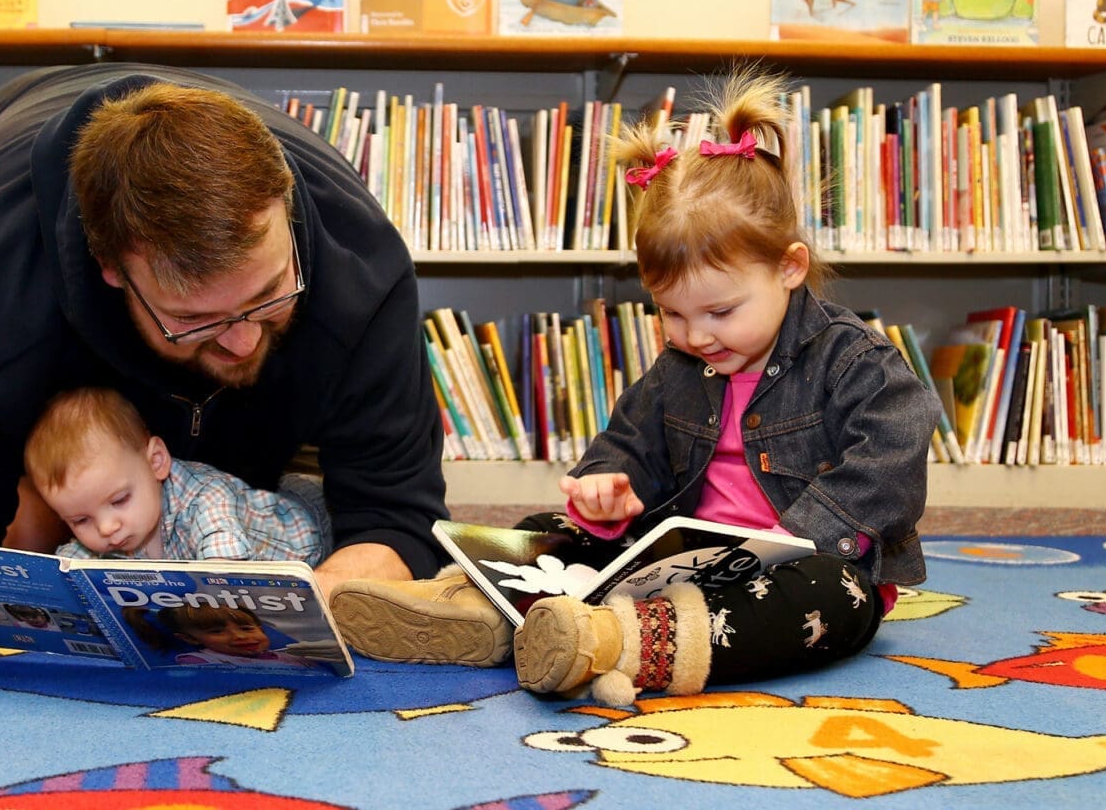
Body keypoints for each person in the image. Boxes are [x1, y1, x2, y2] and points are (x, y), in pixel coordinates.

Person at [331, 69, 941, 705]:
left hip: (801, 564)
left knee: (831, 602)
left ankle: (610, 640)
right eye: (672, 314)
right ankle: (475, 612)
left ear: (790, 268)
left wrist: (799, 538)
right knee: (550, 532)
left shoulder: (851, 359)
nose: (696, 336)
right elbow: (628, 444)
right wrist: (607, 487)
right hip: (681, 556)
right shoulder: (679, 367)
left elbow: (893, 453)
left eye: (721, 312)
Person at [0, 64, 449, 673]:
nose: (242, 342)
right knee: (34, 527)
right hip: (7, 151)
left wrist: (304, 604)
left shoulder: (362, 271)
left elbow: (398, 513)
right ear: (110, 268)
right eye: (195, 319)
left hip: (269, 404)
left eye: (270, 294)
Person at [24, 385, 330, 564]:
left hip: (308, 522)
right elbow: (68, 565)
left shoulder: (205, 499)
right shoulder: (109, 535)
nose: (106, 527)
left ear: (156, 461)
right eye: (80, 520)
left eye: (119, 500)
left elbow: (224, 570)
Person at [123, 604, 318, 668]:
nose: (239, 637)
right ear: (190, 639)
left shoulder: (290, 656)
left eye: (248, 628)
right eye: (217, 631)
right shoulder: (200, 661)